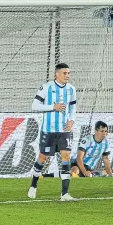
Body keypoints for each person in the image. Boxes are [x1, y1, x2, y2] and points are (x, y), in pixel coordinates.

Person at [27, 63, 77, 201]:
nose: (67, 75)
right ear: (57, 74)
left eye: (68, 73)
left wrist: (72, 121)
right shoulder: (46, 87)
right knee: (43, 158)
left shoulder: (71, 89)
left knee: (66, 156)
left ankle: (64, 193)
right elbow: (34, 105)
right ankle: (33, 185)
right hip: (48, 130)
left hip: (64, 130)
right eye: (64, 73)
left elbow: (73, 107)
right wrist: (53, 107)